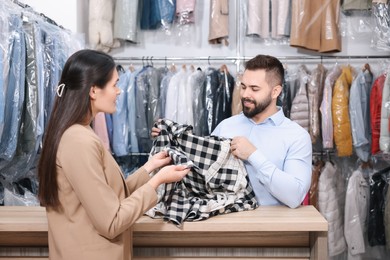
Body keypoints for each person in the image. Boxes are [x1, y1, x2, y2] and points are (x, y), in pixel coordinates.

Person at [38, 49, 190, 260]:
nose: (119, 91)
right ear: (93, 91)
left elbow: (108, 198)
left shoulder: (78, 134)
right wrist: (157, 182)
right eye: (114, 84)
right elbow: (112, 221)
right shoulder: (78, 141)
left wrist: (149, 168)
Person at [152, 54, 312, 208]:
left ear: (275, 91)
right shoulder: (226, 127)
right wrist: (171, 142)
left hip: (272, 230)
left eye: (254, 89)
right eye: (243, 87)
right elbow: (201, 173)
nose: (245, 94)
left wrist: (253, 156)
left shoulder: (296, 137)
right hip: (223, 227)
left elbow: (294, 197)